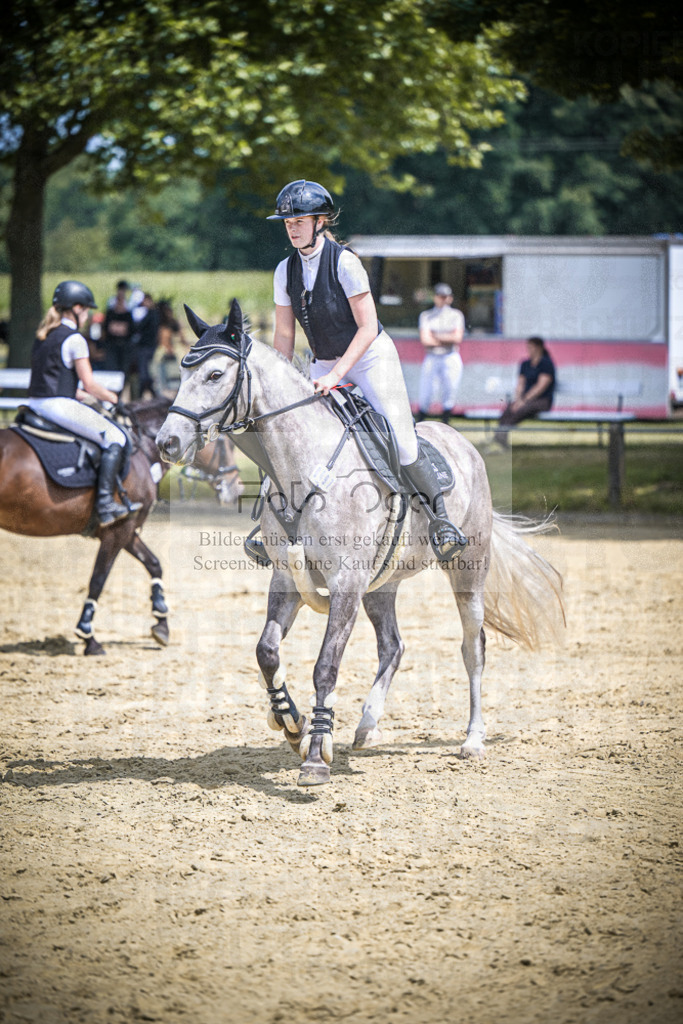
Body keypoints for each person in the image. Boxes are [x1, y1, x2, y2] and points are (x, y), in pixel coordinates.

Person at [268, 179, 467, 558]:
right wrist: (283, 381)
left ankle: (441, 520)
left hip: (371, 357)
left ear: (320, 220)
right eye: (286, 221)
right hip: (323, 361)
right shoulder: (284, 271)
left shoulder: (346, 263)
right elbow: (283, 334)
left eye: (299, 219)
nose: (291, 226)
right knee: (285, 435)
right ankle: (271, 523)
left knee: (403, 440)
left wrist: (335, 376)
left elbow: (368, 328)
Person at [27, 280, 142, 527]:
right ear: (77, 308)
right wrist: (114, 398)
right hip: (57, 406)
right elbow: (89, 384)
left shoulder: (43, 335)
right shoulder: (75, 339)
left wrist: (83, 395)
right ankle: (105, 503)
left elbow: (61, 382)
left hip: (36, 403)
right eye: (87, 310)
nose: (88, 315)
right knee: (116, 437)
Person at [492, 336, 556, 449]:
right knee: (509, 410)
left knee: (519, 411)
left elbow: (540, 386)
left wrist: (524, 401)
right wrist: (518, 400)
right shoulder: (525, 364)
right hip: (525, 399)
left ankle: (500, 439)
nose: (528, 349)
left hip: (542, 400)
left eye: (531, 347)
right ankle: (500, 439)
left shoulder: (546, 363)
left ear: (539, 348)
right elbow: (520, 384)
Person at [416, 283, 465, 424]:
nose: (443, 299)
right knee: (426, 390)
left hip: (450, 355)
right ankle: (421, 422)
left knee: (450, 389)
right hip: (432, 355)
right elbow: (425, 340)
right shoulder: (426, 315)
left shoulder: (456, 315)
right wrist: (446, 337)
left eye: (446, 296)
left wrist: (435, 335)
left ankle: (446, 421)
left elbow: (457, 338)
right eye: (440, 296)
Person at [102, 279, 134, 378]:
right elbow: (109, 328)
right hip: (112, 345)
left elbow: (127, 329)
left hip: (124, 346)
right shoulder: (111, 312)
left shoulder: (128, 314)